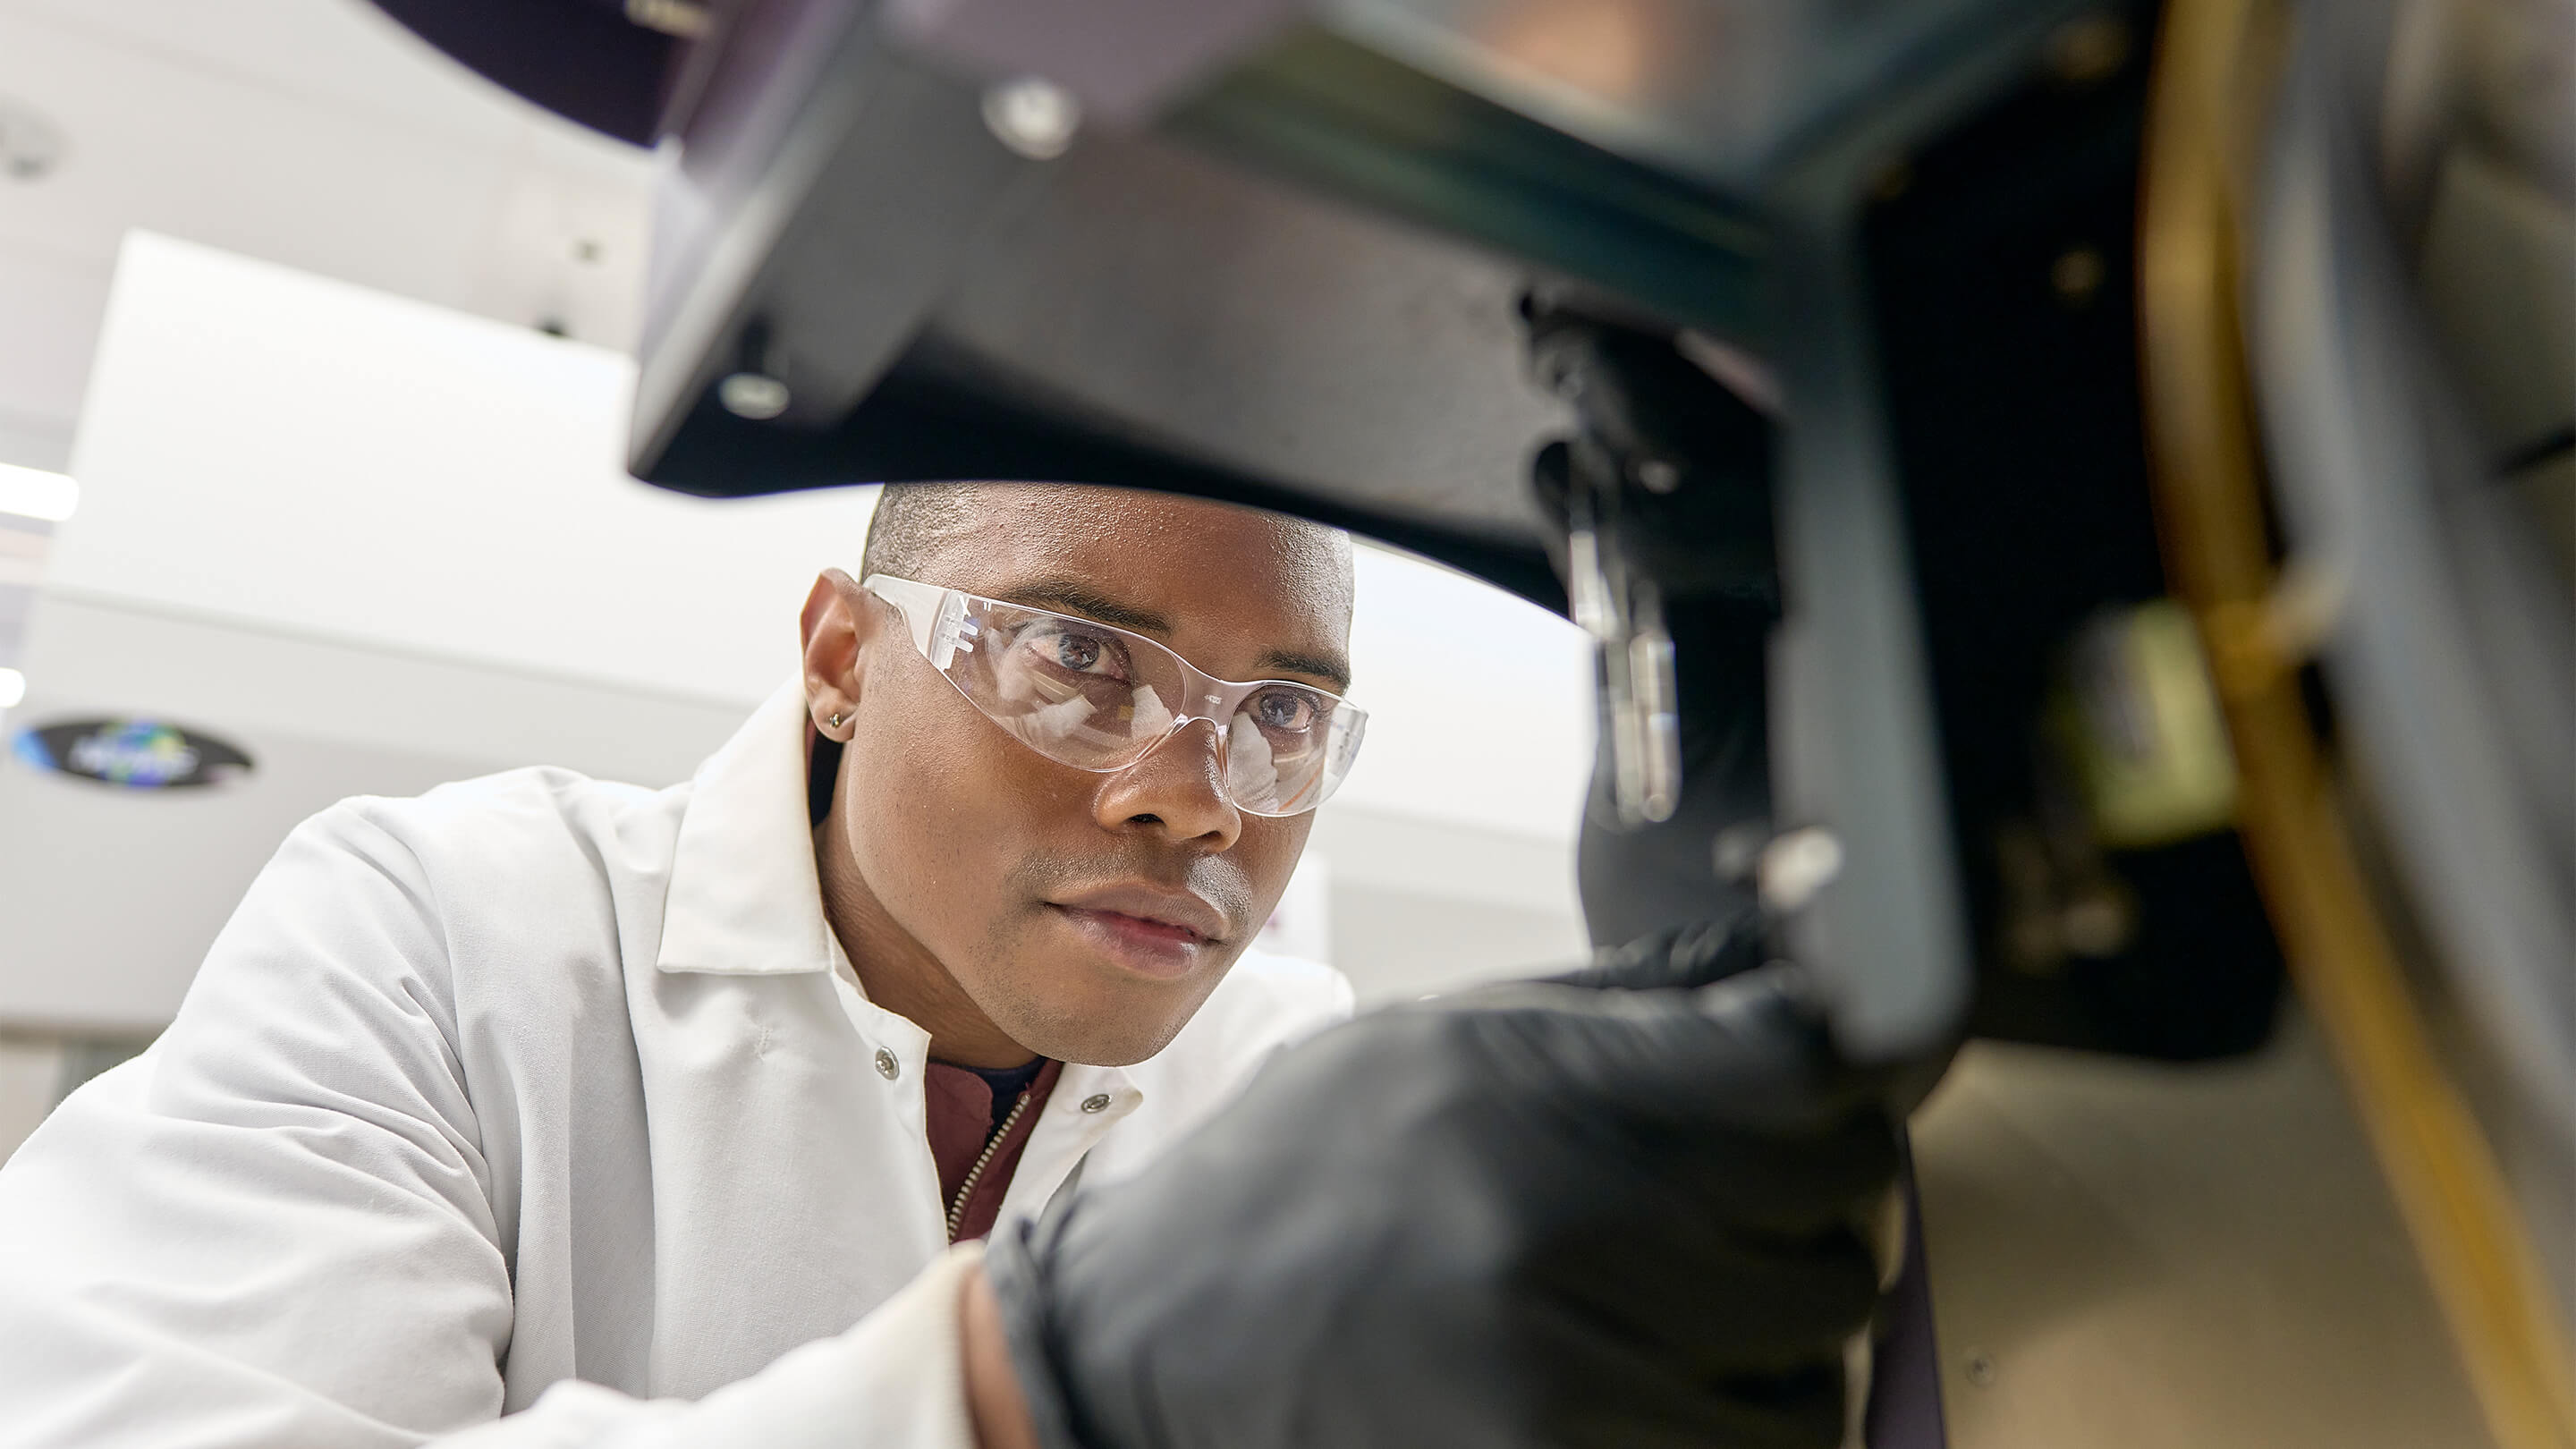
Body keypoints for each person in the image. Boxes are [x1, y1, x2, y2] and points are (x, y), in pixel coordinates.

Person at [0, 481, 1897, 1448]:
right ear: (838, 652)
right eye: (1078, 661)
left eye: (1281, 718)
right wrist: (1020, 1384)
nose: (1193, 802)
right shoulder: (440, 929)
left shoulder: (1309, 1083)